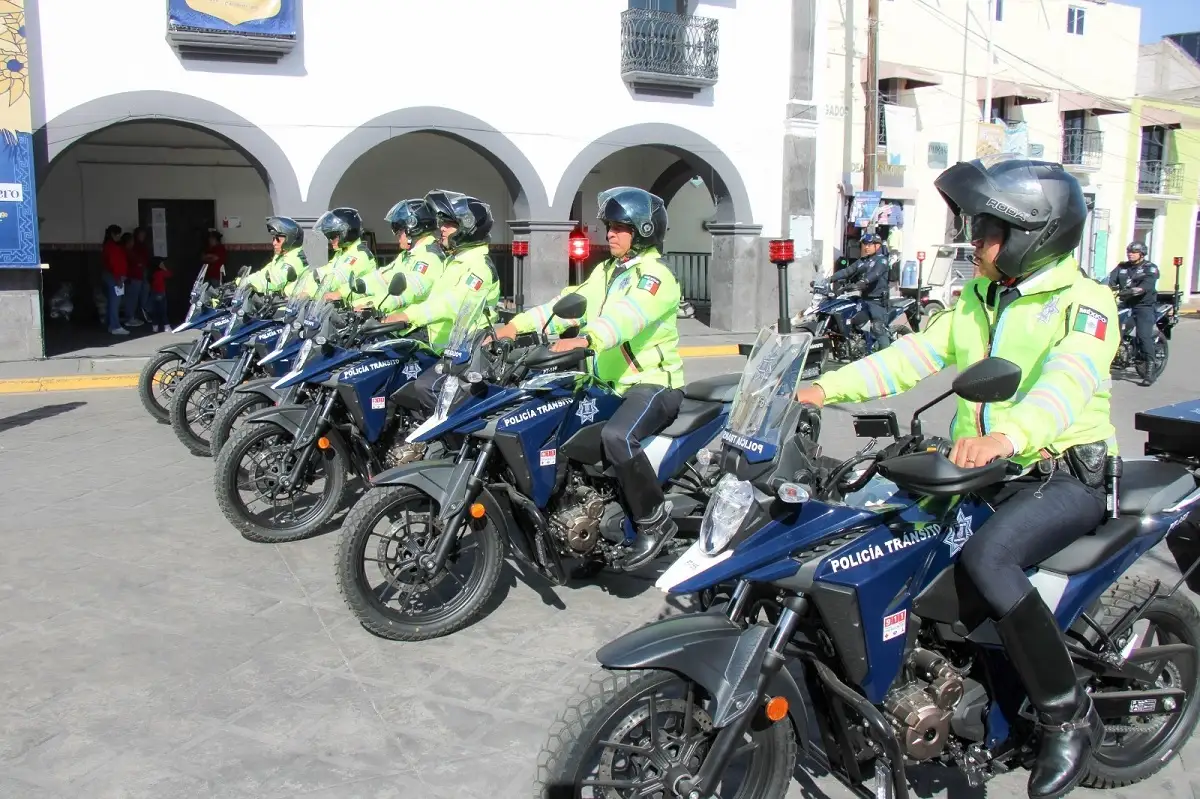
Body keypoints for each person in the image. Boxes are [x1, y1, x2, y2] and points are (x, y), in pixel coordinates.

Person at [795, 155, 1118, 799]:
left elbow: (1069, 381)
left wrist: (1008, 436)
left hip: (1063, 475)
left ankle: (1066, 716)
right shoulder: (977, 298)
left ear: (1032, 236)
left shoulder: (1086, 305)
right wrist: (821, 389)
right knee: (885, 532)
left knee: (988, 559)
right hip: (988, 471)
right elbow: (910, 357)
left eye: (988, 232)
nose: (975, 243)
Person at [489, 186, 685, 572]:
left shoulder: (655, 278)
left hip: (652, 384)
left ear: (643, 230)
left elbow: (627, 318)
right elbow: (566, 304)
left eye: (619, 227)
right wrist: (516, 325)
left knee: (617, 437)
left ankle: (654, 522)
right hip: (607, 385)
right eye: (609, 226)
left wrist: (587, 338)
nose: (609, 233)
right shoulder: (607, 272)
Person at [355, 198, 447, 315]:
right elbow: (382, 278)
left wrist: (371, 306)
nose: (396, 236)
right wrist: (350, 293)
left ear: (413, 228)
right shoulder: (408, 254)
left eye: (398, 231)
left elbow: (406, 292)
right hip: (399, 323)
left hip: (416, 327)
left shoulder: (430, 256)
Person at [1105, 241, 1159, 386]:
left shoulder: (1150, 268)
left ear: (1142, 254)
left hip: (1143, 306)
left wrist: (1131, 291)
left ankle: (1150, 370)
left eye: (1134, 252)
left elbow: (1145, 287)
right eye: (1129, 251)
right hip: (1125, 304)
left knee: (1143, 336)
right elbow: (1109, 280)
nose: (1130, 254)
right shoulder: (1123, 267)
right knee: (1110, 330)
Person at [829, 231, 890, 351]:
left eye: (869, 244)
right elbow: (847, 271)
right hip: (864, 299)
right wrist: (829, 279)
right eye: (864, 244)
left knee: (878, 329)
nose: (866, 247)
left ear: (877, 246)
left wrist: (864, 281)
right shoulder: (863, 261)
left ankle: (886, 356)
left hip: (877, 302)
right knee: (851, 319)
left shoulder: (882, 260)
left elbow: (875, 274)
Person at [314, 207, 377, 303]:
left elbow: (336, 279)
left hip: (359, 310)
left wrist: (310, 290)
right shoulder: (341, 252)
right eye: (328, 236)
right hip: (344, 307)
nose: (330, 240)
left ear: (346, 233)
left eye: (333, 236)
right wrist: (307, 282)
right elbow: (326, 271)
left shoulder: (360, 255)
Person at [237, 217, 310, 297]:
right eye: (273, 239)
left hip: (288, 306)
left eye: (278, 239)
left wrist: (244, 283)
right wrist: (241, 281)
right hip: (276, 303)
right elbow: (265, 273)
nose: (274, 243)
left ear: (289, 240)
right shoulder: (281, 256)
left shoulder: (295, 259)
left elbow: (274, 281)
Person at [101, 225, 128, 335]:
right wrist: (118, 277)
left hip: (111, 276)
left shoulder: (108, 246)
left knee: (112, 302)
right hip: (114, 276)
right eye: (118, 234)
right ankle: (115, 326)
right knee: (115, 302)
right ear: (113, 234)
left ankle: (111, 324)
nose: (119, 237)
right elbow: (115, 264)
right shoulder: (112, 247)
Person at [149, 258, 172, 332]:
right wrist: (164, 268)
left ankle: (155, 326)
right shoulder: (160, 273)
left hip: (153, 293)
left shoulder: (152, 273)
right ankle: (166, 326)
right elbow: (169, 274)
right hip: (160, 293)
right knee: (163, 311)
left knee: (155, 310)